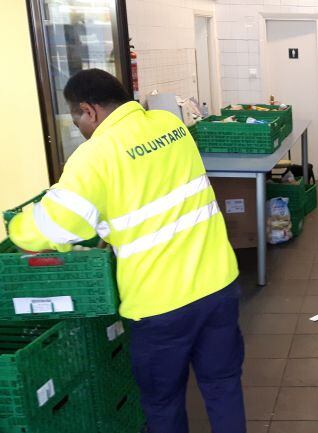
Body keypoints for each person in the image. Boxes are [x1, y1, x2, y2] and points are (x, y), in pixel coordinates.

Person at [8, 69, 246, 433]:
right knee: (223, 386)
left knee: (163, 403)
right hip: (218, 285)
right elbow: (147, 188)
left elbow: (55, 227)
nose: (78, 128)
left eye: (75, 118)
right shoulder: (170, 125)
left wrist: (16, 225)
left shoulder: (94, 156)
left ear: (89, 111)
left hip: (161, 304)